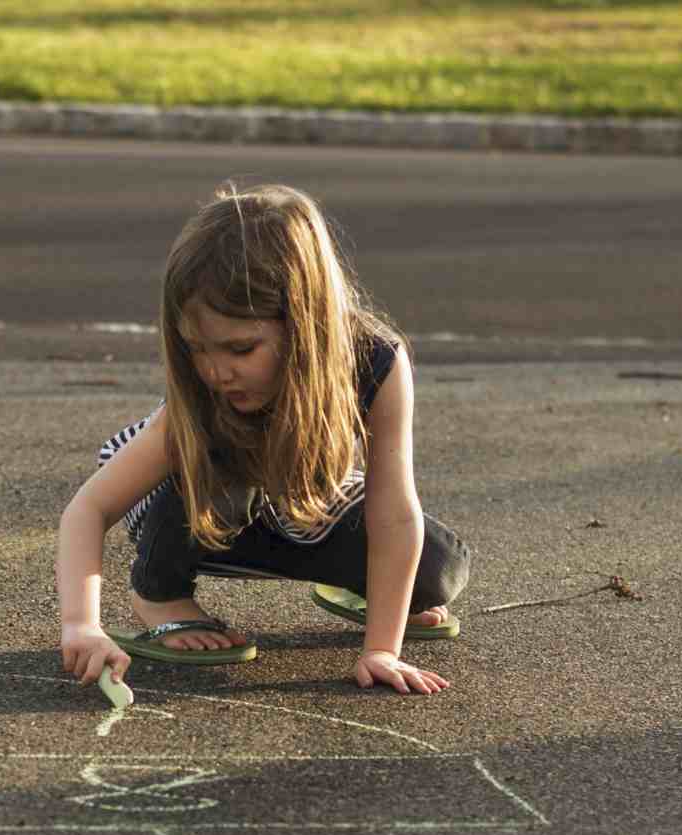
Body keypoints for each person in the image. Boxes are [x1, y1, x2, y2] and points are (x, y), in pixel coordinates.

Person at [55, 182, 470, 697]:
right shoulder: (205, 394)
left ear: (304, 321)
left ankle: (354, 583)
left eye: (240, 348)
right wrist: (82, 625)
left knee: (436, 570)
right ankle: (158, 594)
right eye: (196, 348)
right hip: (178, 496)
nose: (214, 370)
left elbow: (394, 512)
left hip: (295, 492)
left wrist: (382, 648)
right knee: (224, 476)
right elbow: (89, 508)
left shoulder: (376, 361)